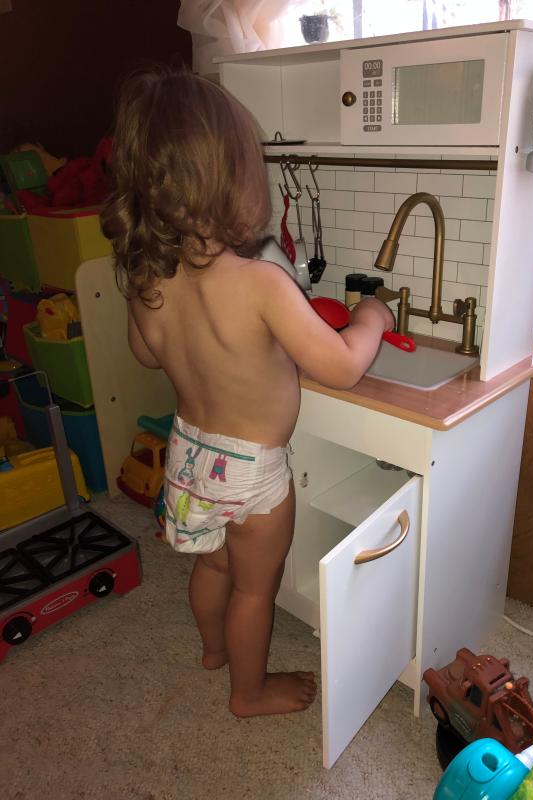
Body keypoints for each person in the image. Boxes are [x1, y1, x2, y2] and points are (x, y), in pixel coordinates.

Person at [101, 68, 394, 718]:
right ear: (233, 179)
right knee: (254, 590)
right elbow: (343, 366)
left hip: (189, 456)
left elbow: (146, 353)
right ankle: (249, 692)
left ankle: (214, 652)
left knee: (213, 568)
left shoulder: (148, 280)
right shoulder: (261, 282)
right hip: (252, 472)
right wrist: (373, 317)